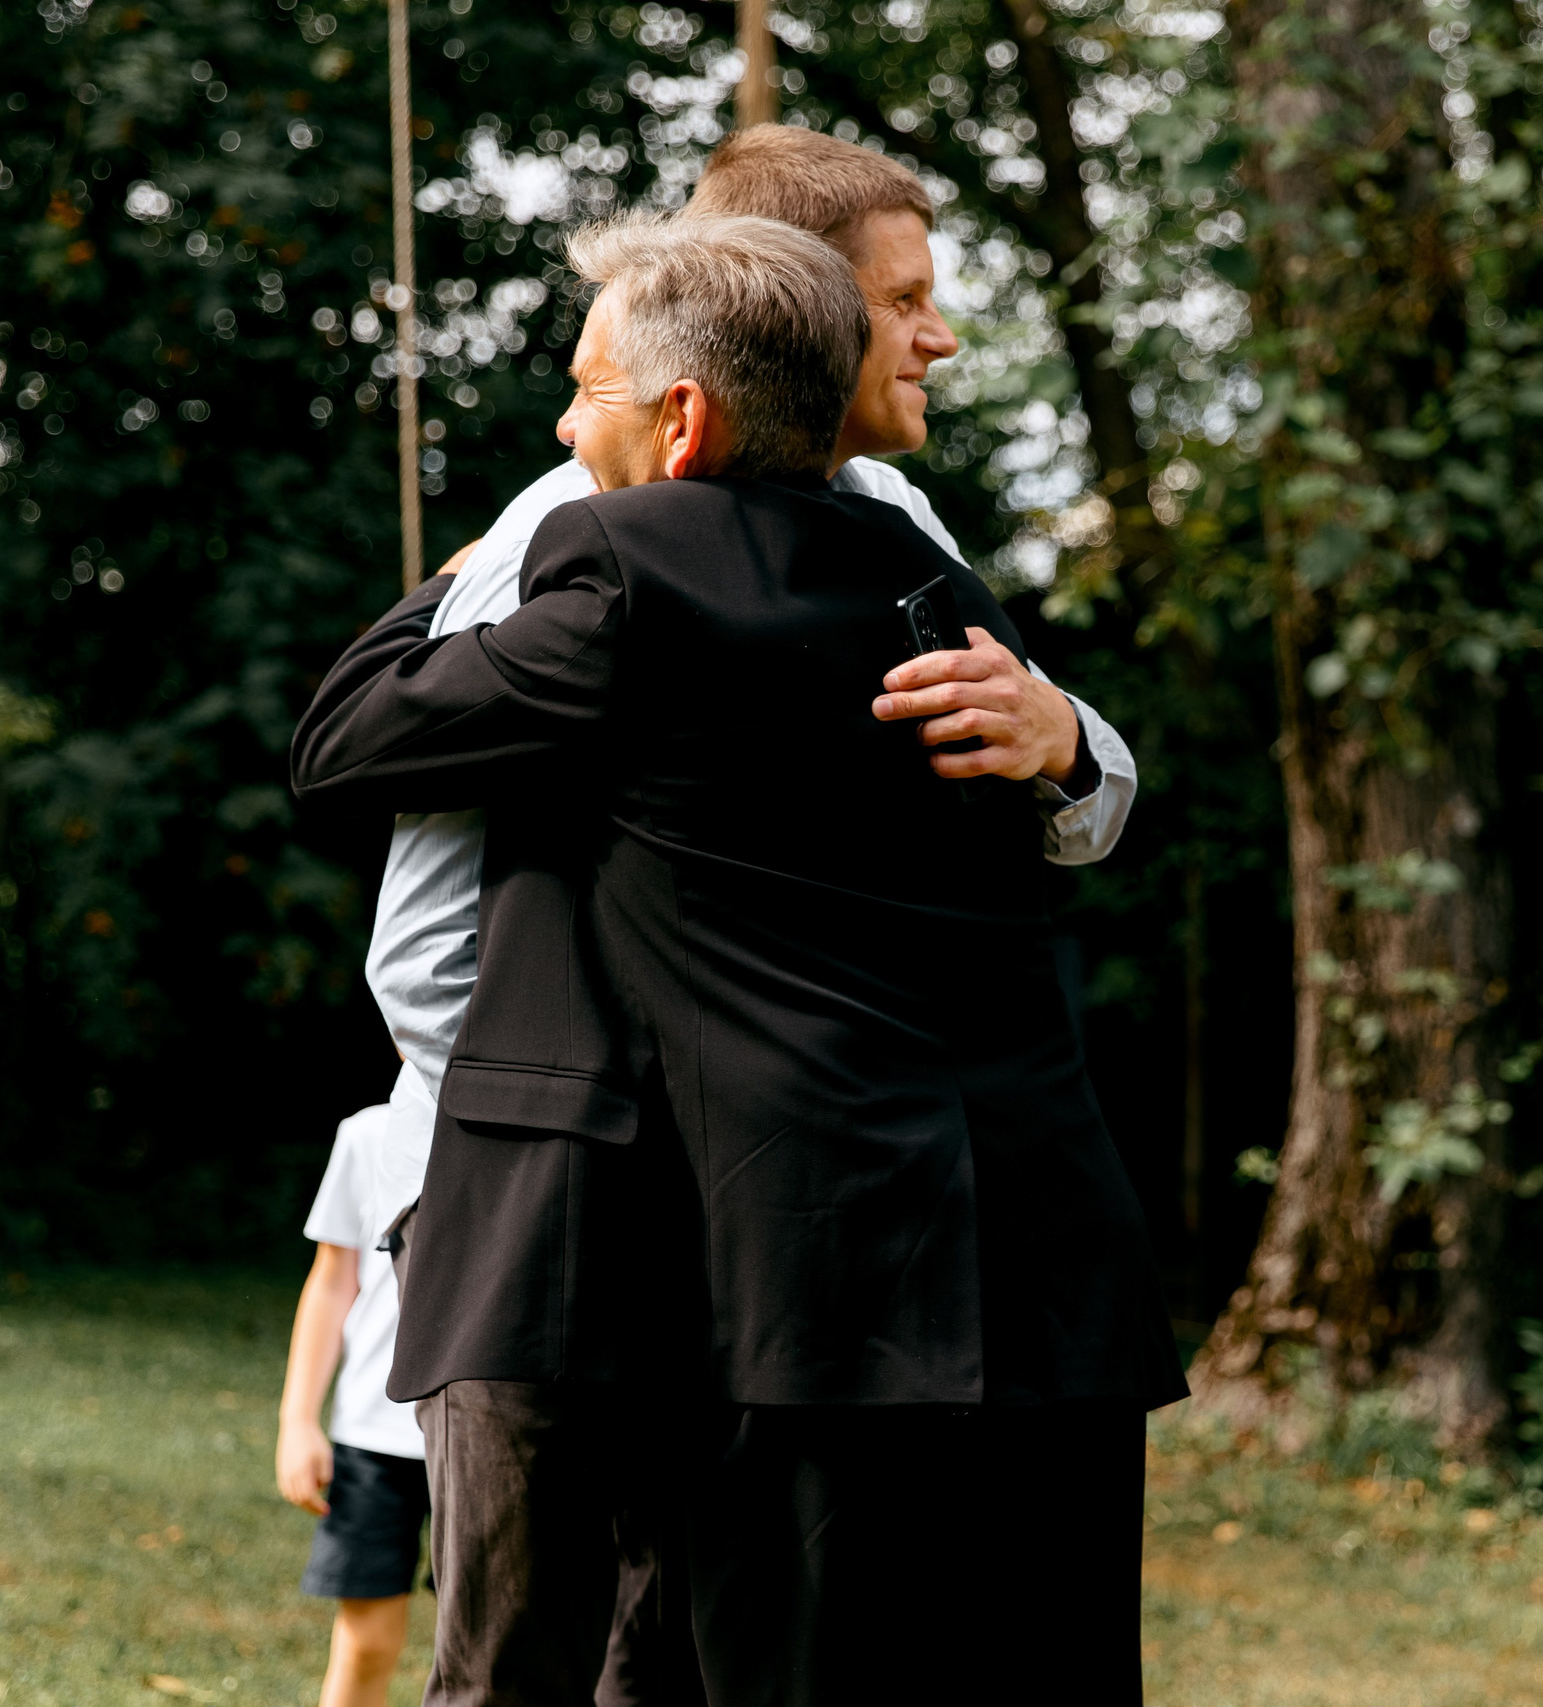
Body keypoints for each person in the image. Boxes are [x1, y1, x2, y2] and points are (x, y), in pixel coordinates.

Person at [292, 209, 1185, 1705]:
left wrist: (467, 577)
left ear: (684, 416)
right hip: (1004, 1247)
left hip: (739, 1258)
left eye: (589, 391)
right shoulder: (931, 582)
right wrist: (1078, 745)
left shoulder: (616, 562)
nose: (569, 427)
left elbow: (346, 749)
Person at [276, 1103, 432, 1707]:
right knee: (366, 1645)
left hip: (485, 1436)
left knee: (481, 1645)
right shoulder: (368, 1134)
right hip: (373, 1438)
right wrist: (297, 1421)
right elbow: (332, 1280)